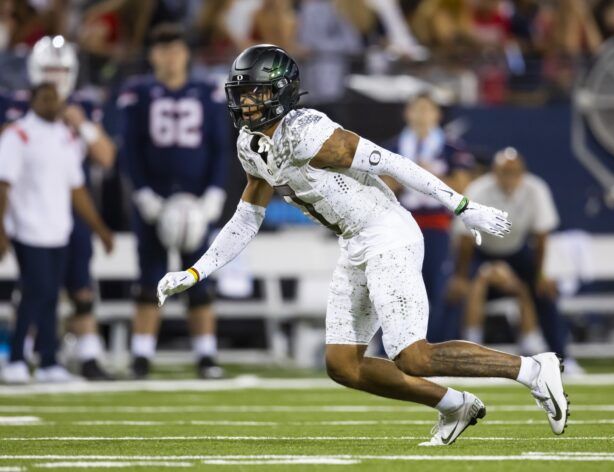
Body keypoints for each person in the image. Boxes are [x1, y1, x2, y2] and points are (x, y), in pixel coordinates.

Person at [157, 44, 568, 446]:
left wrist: (460, 205)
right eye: (242, 92)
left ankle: (533, 368)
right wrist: (197, 270)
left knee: (413, 355)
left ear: (281, 91)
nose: (247, 102)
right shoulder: (252, 145)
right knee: (342, 365)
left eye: (256, 92)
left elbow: (392, 161)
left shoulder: (309, 133)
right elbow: (247, 217)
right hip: (354, 242)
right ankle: (454, 405)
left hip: (388, 233)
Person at [0, 36, 117, 380]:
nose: (55, 83)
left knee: (71, 288)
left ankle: (69, 356)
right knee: (35, 290)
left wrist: (79, 123)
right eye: (49, 74)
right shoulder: (17, 123)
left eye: (61, 72)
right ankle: (22, 355)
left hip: (65, 217)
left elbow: (94, 168)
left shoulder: (71, 126)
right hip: (26, 215)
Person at [118, 24, 229, 380]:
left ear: (186, 54)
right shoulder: (139, 93)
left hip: (197, 199)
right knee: (149, 278)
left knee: (199, 278)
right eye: (163, 50)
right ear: (152, 55)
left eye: (176, 49)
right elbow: (130, 150)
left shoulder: (206, 92)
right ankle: (141, 355)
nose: (170, 57)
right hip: (155, 196)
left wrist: (215, 192)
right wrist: (142, 193)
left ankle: (206, 355)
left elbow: (220, 148)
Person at [449, 147, 583, 374]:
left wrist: (540, 275)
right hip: (481, 250)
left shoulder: (536, 189)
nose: (509, 178)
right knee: (455, 292)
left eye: (514, 173)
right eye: (504, 172)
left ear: (523, 173)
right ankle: (455, 355)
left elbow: (541, 237)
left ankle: (561, 356)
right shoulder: (478, 190)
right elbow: (464, 239)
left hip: (517, 251)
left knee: (544, 293)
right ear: (494, 172)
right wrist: (461, 276)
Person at [384, 93, 472, 342]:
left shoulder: (451, 147)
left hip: (437, 226)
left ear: (437, 115)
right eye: (417, 110)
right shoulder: (393, 148)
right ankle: (393, 346)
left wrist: (427, 175)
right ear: (407, 114)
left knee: (435, 287)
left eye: (427, 110)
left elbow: (462, 186)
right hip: (401, 225)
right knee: (397, 287)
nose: (422, 116)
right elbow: (382, 186)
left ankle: (434, 345)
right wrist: (407, 174)